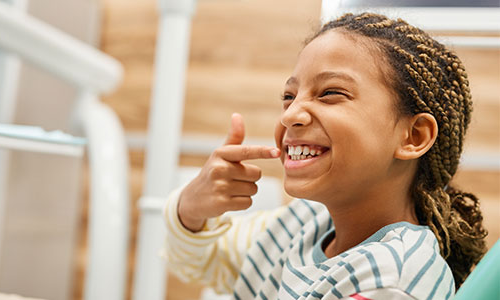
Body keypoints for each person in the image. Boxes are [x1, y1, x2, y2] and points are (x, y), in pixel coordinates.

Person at [163, 12, 487, 299]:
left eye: (330, 93)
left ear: (413, 137)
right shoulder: (303, 222)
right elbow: (203, 261)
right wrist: (192, 208)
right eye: (289, 96)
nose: (290, 115)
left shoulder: (393, 280)